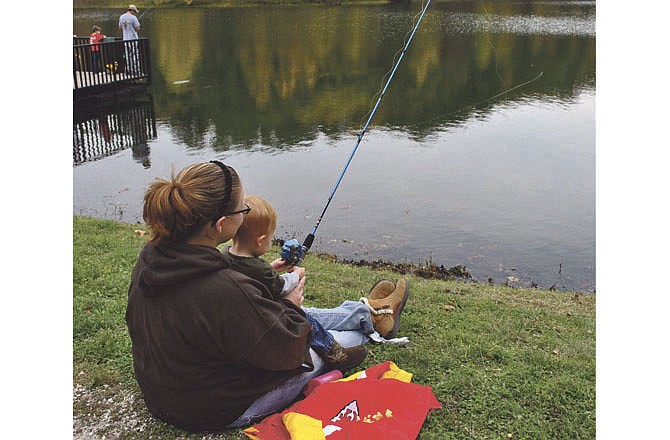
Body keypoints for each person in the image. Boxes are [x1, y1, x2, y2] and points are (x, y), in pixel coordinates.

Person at [125, 161, 410, 432]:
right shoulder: (223, 287)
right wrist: (288, 306)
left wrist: (277, 301)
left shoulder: (155, 259)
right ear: (221, 224)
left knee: (301, 313)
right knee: (332, 340)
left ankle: (369, 312)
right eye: (243, 209)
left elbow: (227, 312)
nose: (245, 213)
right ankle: (372, 324)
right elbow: (286, 350)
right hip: (217, 409)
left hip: (165, 395)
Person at [225, 194, 368, 372]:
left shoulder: (226, 255)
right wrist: (296, 275)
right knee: (308, 322)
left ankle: (366, 315)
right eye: (270, 237)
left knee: (311, 314)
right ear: (260, 240)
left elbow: (249, 275)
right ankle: (334, 353)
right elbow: (280, 286)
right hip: (268, 328)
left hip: (253, 320)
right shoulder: (259, 268)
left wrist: (271, 269)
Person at [118, 5, 141, 75]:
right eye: (135, 12)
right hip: (133, 39)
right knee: (134, 55)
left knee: (127, 55)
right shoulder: (133, 17)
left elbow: (120, 27)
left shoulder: (121, 17)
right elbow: (137, 29)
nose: (135, 13)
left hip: (125, 39)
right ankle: (136, 70)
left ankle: (128, 70)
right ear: (132, 10)